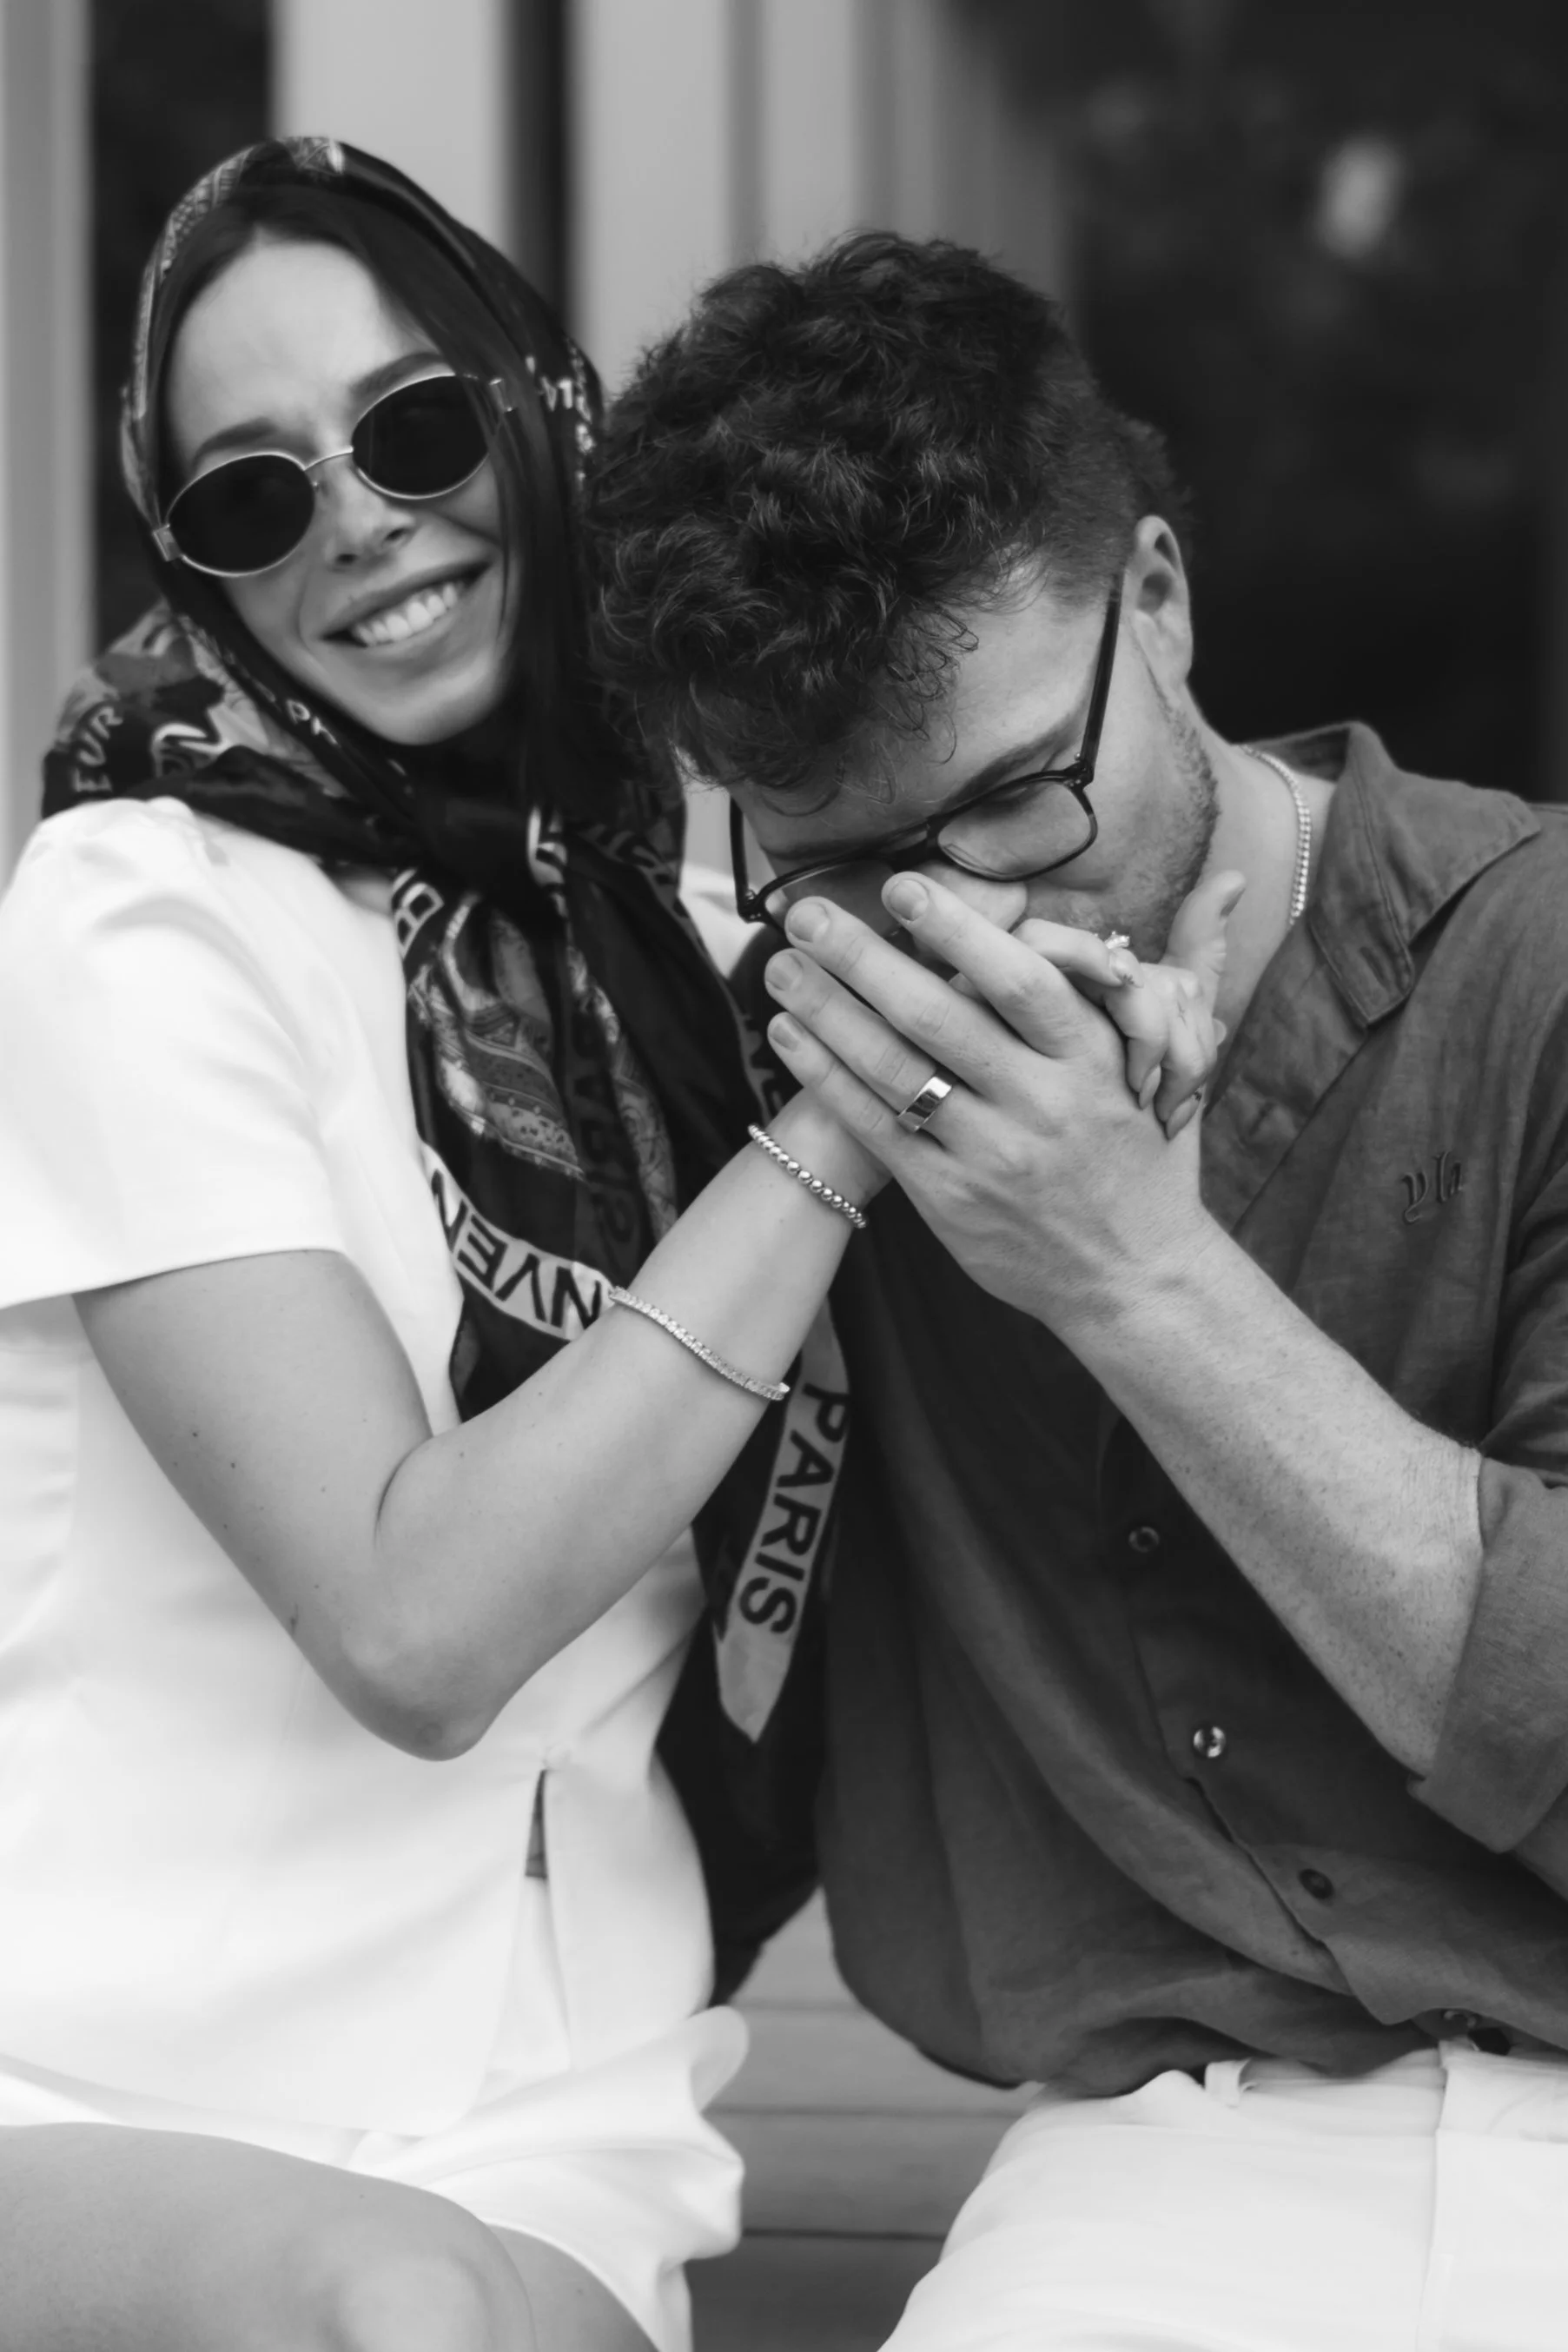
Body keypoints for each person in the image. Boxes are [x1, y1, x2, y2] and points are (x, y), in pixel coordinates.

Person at [0, 152, 1212, 2352]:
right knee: (390, 2320)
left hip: (554, 2104)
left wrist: (1082, 1034)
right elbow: (416, 1625)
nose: (359, 522)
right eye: (251, 498)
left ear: (534, 411)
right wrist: (859, 1101)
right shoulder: (137, 920)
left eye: (413, 429)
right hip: (90, 2061)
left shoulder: (698, 942)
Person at [587, 229, 1568, 2352]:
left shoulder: (1537, 971)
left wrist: (1128, 1273)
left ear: (1155, 593)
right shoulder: (784, 1098)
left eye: (1021, 798)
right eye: (842, 863)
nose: (951, 915)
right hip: (1150, 2175)